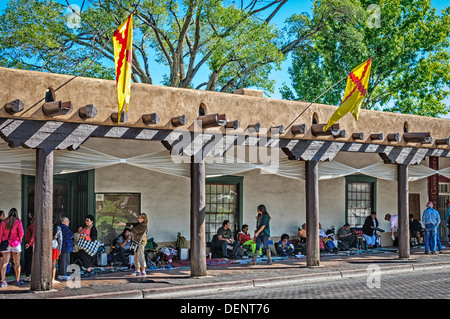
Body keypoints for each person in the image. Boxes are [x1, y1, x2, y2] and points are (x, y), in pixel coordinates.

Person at [0, 208, 25, 287]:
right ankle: (17, 280)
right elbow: (21, 233)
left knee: (5, 262)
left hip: (5, 243)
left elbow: (0, 233)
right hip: (15, 243)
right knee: (17, 263)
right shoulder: (18, 221)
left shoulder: (4, 222)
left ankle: (2, 281)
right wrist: (20, 239)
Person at [58, 217, 74, 281]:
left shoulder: (62, 227)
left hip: (65, 246)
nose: (68, 222)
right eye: (66, 221)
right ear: (63, 222)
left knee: (64, 260)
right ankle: (62, 274)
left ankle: (63, 273)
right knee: (64, 261)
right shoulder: (63, 227)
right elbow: (70, 235)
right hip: (65, 246)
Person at [24, 216, 35, 282]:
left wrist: (28, 242)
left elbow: (27, 235)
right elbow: (33, 236)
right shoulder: (34, 226)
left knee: (30, 260)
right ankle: (29, 276)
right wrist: (30, 243)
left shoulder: (30, 226)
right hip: (33, 244)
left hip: (30, 244)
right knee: (32, 261)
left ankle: (27, 276)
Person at [51, 219, 62, 284]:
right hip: (55, 246)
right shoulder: (58, 228)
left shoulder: (45, 226)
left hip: (46, 246)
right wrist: (60, 249)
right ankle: (52, 278)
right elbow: (60, 240)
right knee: (53, 264)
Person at [0, 210, 5, 275]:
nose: (4, 216)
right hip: (1, 243)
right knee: (2, 261)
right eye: (3, 215)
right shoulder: (2, 223)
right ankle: (1, 276)